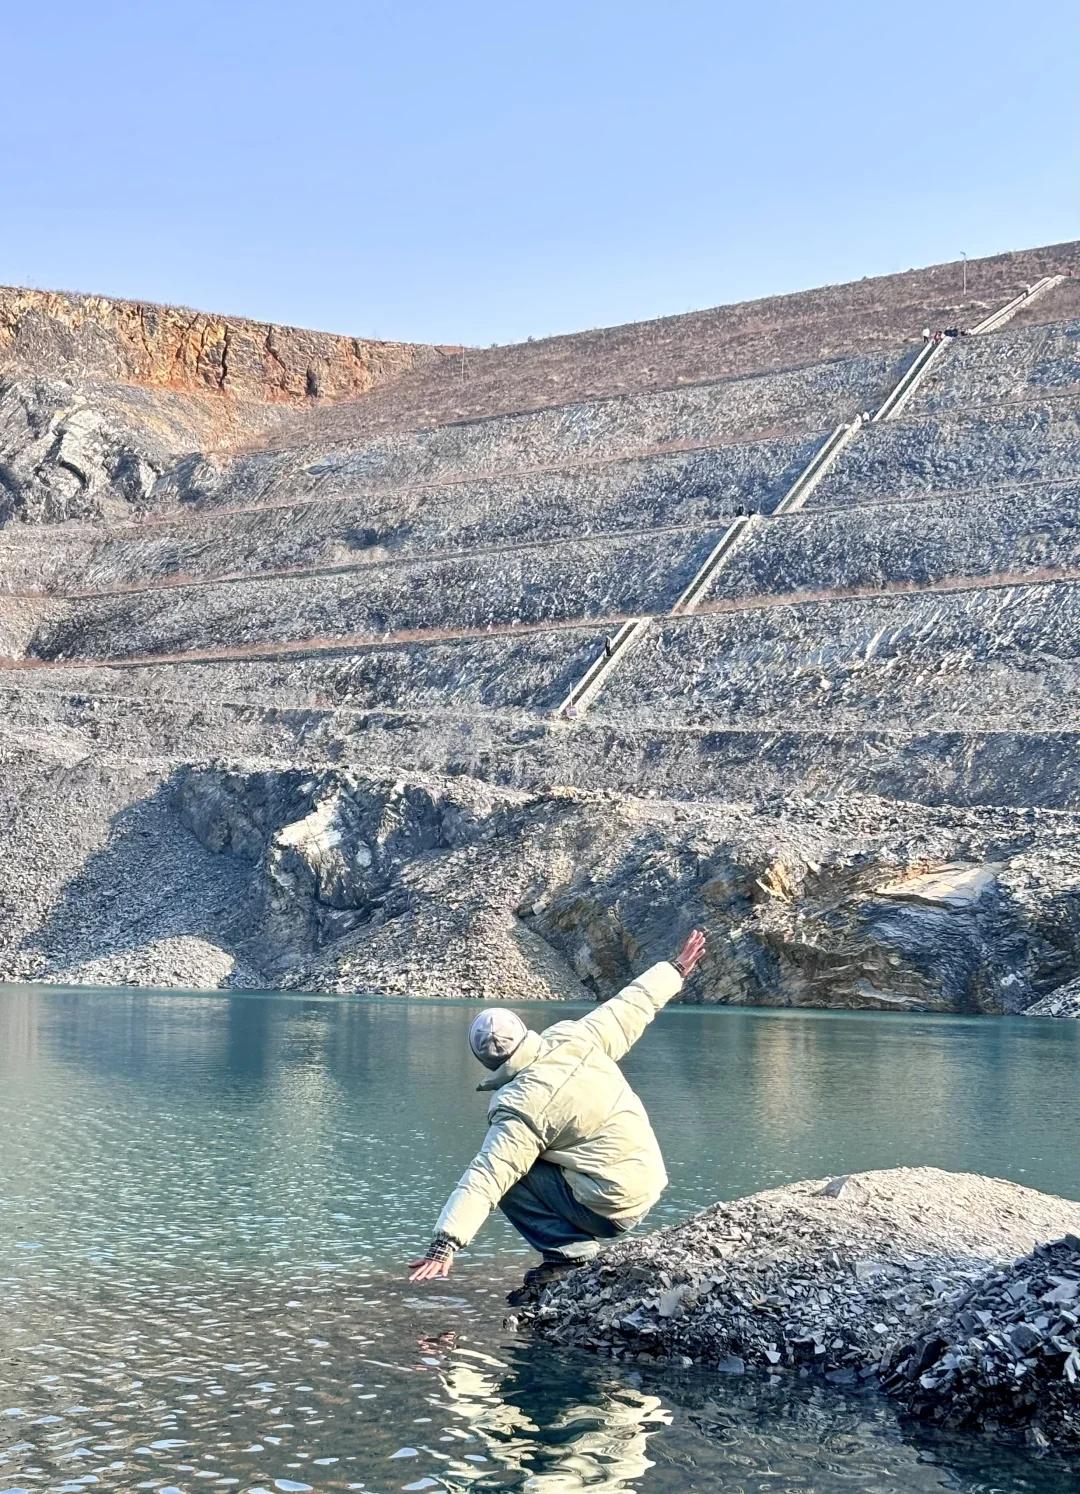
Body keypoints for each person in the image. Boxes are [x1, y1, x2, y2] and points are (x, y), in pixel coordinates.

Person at [408, 929, 708, 1299]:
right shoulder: (574, 1038)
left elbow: (485, 1177)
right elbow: (631, 1004)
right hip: (648, 1183)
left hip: (611, 1206)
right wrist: (675, 968)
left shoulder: (518, 1105)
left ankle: (569, 1254)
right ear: (523, 1030)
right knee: (520, 1161)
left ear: (484, 1060)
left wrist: (445, 1244)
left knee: (509, 1177)